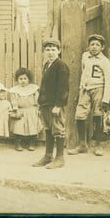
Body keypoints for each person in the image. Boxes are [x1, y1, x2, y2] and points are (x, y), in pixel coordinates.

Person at [68, 33, 110, 157]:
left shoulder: (104, 61)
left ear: (102, 47)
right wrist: (80, 88)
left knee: (98, 116)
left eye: (97, 45)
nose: (94, 47)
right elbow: (84, 73)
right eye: (92, 44)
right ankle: (82, 144)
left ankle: (98, 145)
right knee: (80, 115)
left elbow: (108, 80)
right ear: (88, 46)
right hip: (85, 89)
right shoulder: (85, 56)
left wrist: (106, 98)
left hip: (99, 88)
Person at [32, 37, 70, 169]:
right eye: (47, 49)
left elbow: (63, 87)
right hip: (45, 104)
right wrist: (40, 103)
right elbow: (44, 86)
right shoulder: (47, 65)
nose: (50, 52)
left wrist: (59, 105)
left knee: (58, 129)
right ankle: (48, 156)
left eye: (53, 49)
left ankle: (60, 158)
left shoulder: (61, 65)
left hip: (55, 105)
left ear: (59, 51)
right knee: (48, 129)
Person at [9, 67, 42, 151]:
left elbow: (38, 99)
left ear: (29, 79)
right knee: (18, 126)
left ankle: (32, 142)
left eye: (25, 78)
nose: (23, 81)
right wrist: (16, 109)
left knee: (32, 127)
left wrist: (38, 108)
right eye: (20, 79)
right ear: (17, 79)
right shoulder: (15, 90)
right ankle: (17, 143)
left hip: (31, 110)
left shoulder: (33, 89)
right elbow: (14, 100)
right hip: (20, 110)